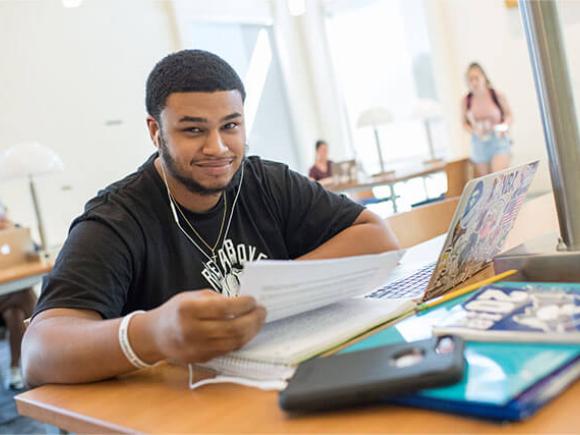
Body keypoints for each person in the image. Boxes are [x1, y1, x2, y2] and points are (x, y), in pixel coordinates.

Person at [22, 50, 399, 386]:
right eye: (193, 130)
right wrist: (153, 332)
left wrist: (277, 293)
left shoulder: (267, 183)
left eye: (230, 126)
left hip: (274, 385)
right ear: (156, 131)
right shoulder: (116, 220)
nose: (217, 147)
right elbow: (38, 354)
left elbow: (376, 237)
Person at [0, 201, 37, 390]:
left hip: (10, 303)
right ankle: (40, 331)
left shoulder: (15, 232)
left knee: (15, 314)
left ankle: (15, 368)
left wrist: (13, 232)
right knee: (23, 295)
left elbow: (35, 252)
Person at [461, 62, 513, 177]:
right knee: (487, 183)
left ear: (484, 77)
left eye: (476, 78)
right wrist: (474, 131)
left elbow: (509, 115)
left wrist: (504, 126)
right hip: (479, 143)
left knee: (498, 177)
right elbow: (464, 123)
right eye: (470, 79)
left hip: (498, 140)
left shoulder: (497, 95)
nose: (474, 82)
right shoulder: (466, 100)